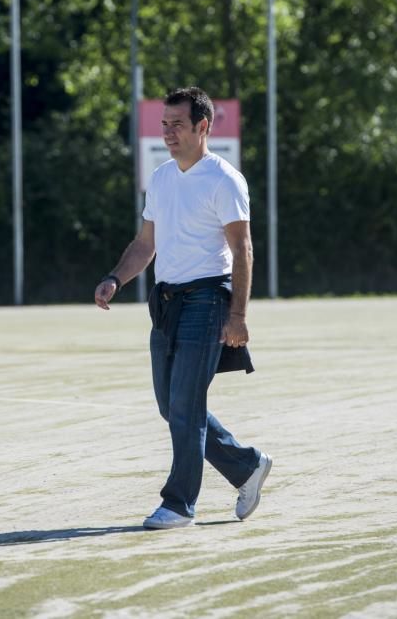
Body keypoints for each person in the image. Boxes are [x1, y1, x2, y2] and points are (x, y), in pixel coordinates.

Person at [94, 86, 272, 530]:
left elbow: (243, 249)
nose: (168, 133)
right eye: (164, 125)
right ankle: (247, 465)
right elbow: (145, 244)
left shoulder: (224, 180)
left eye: (177, 124)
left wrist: (238, 316)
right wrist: (116, 277)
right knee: (171, 405)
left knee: (186, 405)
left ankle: (178, 504)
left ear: (203, 126)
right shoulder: (162, 178)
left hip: (209, 300)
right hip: (167, 303)